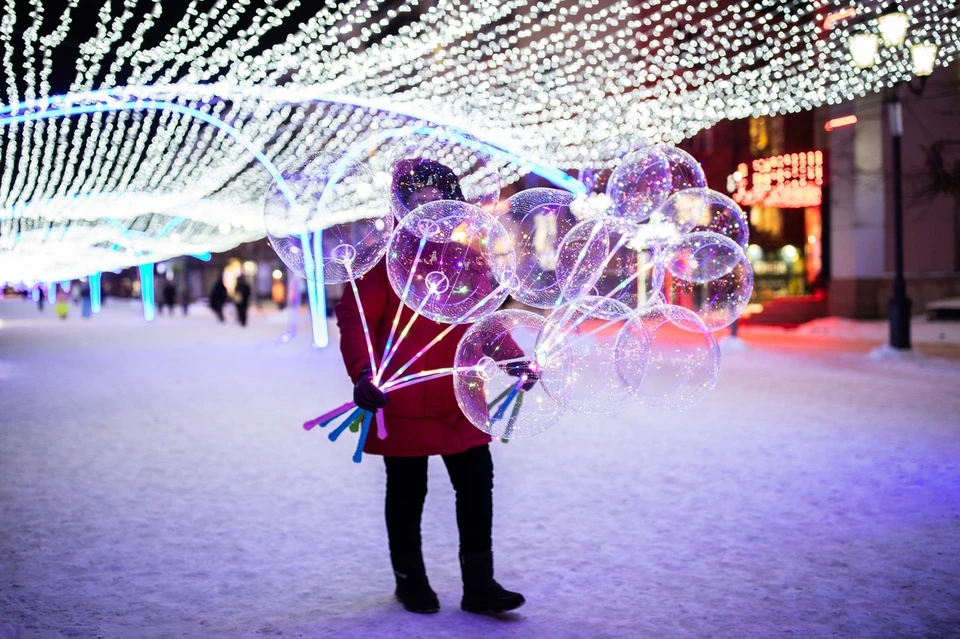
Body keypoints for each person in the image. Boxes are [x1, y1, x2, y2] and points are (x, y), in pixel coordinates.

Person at [335, 158, 525, 616]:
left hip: (461, 395)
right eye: (417, 197)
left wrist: (516, 359)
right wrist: (362, 373)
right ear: (400, 203)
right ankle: (410, 580)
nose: (428, 206)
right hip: (402, 398)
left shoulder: (467, 258)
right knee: (406, 491)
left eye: (437, 197)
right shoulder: (380, 260)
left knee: (477, 484)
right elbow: (356, 321)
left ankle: (480, 584)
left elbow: (485, 323)